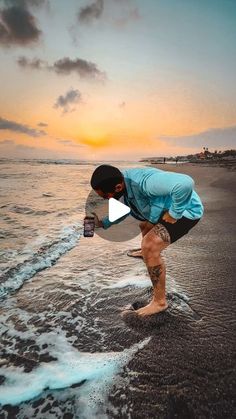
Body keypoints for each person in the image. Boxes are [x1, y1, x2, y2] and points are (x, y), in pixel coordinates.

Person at [90, 165, 204, 317]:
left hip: (186, 210)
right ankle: (147, 255)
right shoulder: (121, 185)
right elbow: (124, 209)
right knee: (144, 226)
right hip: (163, 209)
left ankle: (160, 302)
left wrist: (174, 213)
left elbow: (185, 183)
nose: (105, 199)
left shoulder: (146, 182)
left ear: (118, 187)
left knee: (149, 245)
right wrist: (102, 223)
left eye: (105, 196)